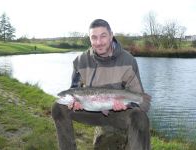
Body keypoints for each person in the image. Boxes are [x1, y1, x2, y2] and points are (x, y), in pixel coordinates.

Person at [51, 19, 151, 150]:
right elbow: (74, 89)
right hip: (89, 109)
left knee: (140, 117)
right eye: (94, 37)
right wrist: (74, 104)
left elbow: (137, 97)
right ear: (90, 39)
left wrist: (125, 106)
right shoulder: (80, 61)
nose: (98, 42)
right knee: (58, 107)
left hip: (117, 113)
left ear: (111, 36)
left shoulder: (129, 61)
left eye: (103, 36)